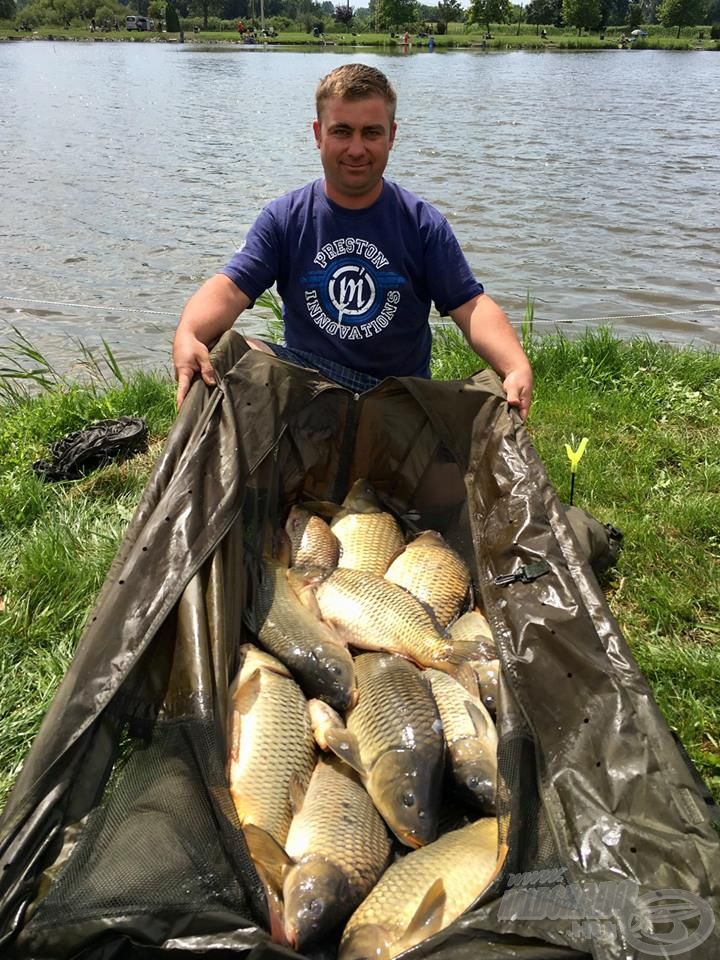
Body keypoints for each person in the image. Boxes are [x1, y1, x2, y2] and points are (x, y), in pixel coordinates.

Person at [173, 64, 533, 420]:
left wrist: (515, 365)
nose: (357, 149)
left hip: (396, 397)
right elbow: (230, 287)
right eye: (342, 131)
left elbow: (470, 305)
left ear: (391, 136)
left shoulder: (422, 223)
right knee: (221, 350)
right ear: (318, 134)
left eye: (371, 133)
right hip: (308, 387)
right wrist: (188, 334)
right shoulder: (285, 217)